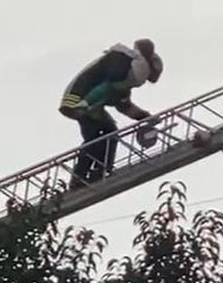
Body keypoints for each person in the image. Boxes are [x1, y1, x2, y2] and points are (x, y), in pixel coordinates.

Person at [59, 39, 163, 188]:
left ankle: (99, 170)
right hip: (77, 100)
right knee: (94, 136)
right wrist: (85, 104)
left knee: (108, 132)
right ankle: (81, 176)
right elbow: (101, 90)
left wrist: (146, 117)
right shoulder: (118, 73)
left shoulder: (121, 83)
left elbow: (125, 106)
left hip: (89, 106)